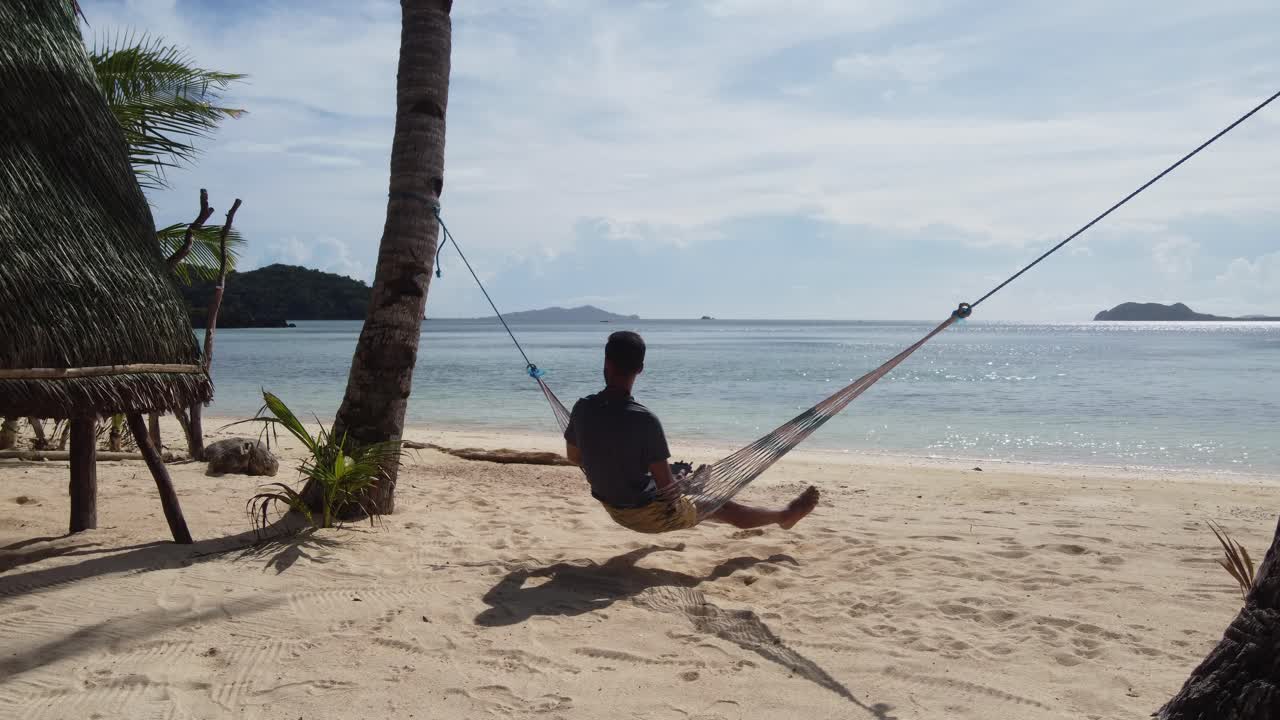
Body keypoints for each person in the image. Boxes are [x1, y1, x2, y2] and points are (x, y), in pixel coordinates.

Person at [564, 330, 820, 534]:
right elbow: (668, 491)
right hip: (646, 514)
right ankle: (784, 517)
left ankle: (693, 482)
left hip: (611, 503)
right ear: (640, 368)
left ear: (606, 362)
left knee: (681, 476)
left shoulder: (582, 408)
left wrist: (612, 467)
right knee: (722, 506)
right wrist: (684, 483)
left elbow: (575, 458)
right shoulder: (645, 420)